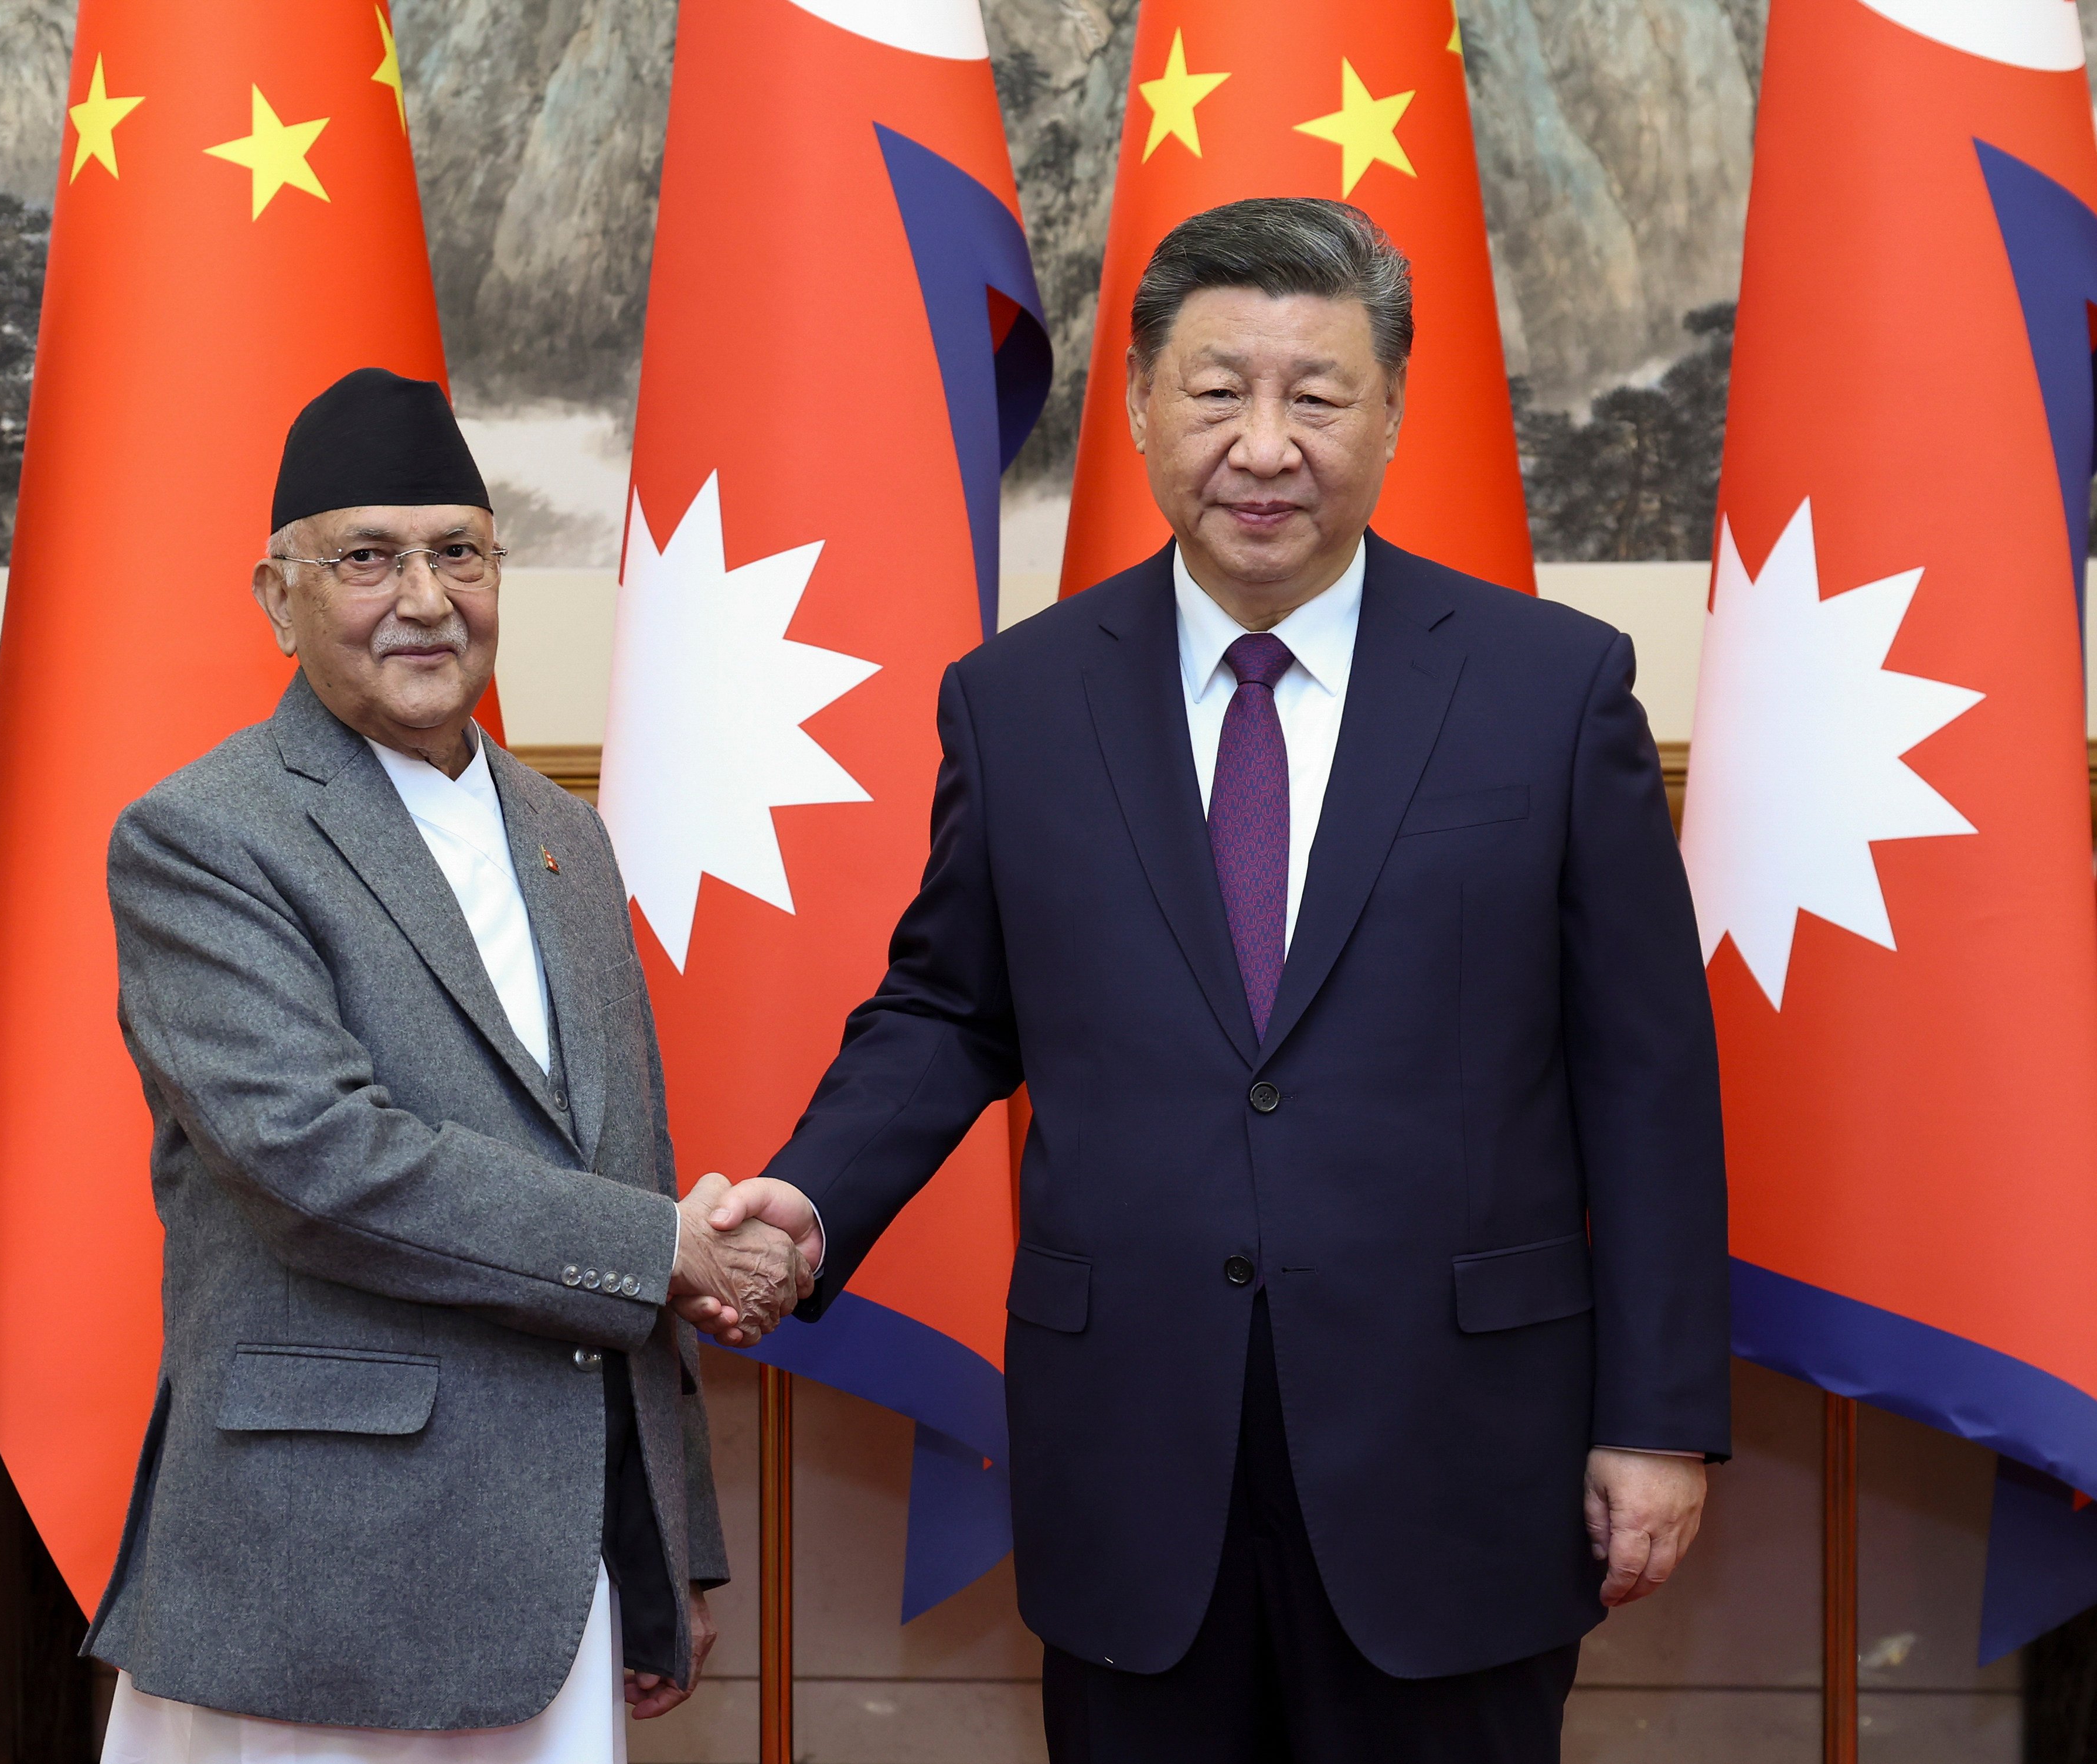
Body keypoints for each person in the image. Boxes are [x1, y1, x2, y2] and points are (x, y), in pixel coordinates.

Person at [701, 199, 1731, 1762]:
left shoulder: (1548, 689)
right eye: (1216, 390)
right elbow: (950, 1008)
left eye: (1316, 396)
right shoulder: (1020, 703)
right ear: (1136, 406)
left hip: (1457, 1455)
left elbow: (1647, 1080)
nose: (1265, 444)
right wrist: (814, 1194)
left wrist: (1656, 1418)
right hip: (1136, 1456)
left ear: (1390, 413)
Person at [84, 367, 809, 1760]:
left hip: (561, 1572)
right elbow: (320, 1165)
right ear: (275, 594)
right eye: (367, 556)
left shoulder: (567, 835)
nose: (424, 598)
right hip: (321, 1572)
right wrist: (667, 1246)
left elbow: (623, 1162)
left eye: (458, 553)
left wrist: (670, 1540)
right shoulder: (204, 836)